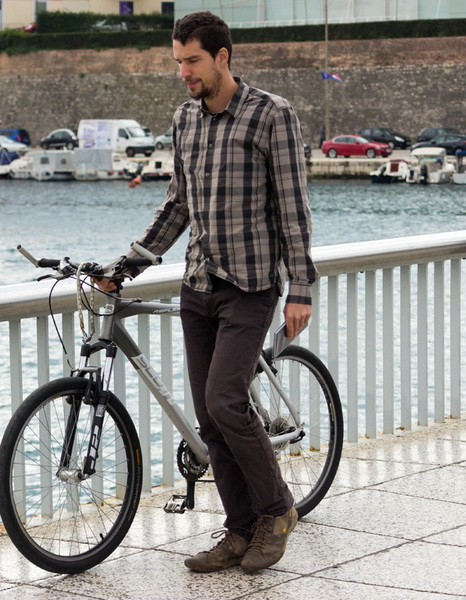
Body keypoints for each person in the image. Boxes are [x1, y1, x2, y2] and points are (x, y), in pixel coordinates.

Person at [104, 11, 317, 574]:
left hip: (250, 285)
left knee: (227, 399)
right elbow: (178, 206)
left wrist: (301, 288)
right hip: (198, 284)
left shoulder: (272, 116)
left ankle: (278, 511)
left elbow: (293, 212)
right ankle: (239, 530)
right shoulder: (186, 119)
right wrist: (127, 264)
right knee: (208, 417)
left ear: (223, 56)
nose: (183, 72)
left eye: (192, 60)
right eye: (177, 61)